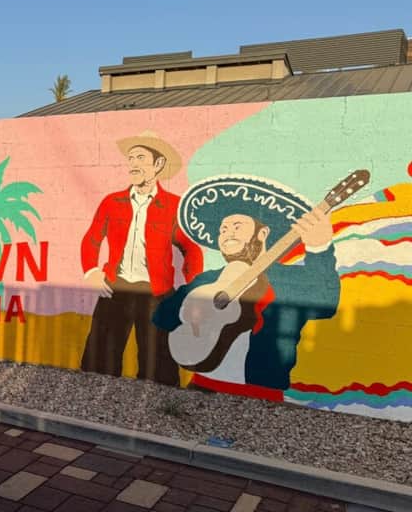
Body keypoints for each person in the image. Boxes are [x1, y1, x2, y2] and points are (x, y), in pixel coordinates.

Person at [153, 175, 341, 400]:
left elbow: (326, 303)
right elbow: (163, 317)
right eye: (223, 229)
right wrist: (192, 304)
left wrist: (319, 249)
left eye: (237, 226)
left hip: (260, 398)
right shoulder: (207, 280)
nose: (227, 233)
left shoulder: (285, 279)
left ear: (262, 234)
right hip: (201, 387)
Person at [79, 131, 203, 385]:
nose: (133, 164)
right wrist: (91, 271)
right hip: (115, 287)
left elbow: (191, 249)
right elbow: (92, 238)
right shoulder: (112, 202)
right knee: (99, 361)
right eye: (131, 158)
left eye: (141, 158)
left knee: (158, 366)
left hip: (156, 292)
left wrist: (193, 289)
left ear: (158, 165)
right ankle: (95, 402)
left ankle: (158, 410)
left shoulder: (172, 205)